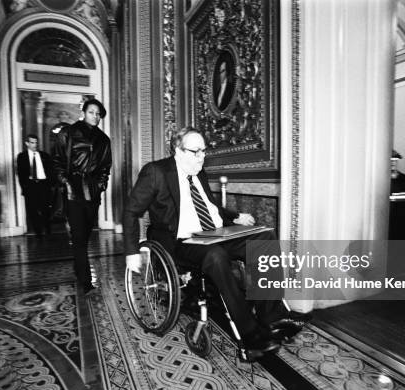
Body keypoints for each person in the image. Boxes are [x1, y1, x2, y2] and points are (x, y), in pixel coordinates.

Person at [124, 127, 303, 358]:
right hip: (181, 241)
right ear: (178, 151)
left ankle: (272, 316)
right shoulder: (156, 172)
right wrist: (131, 251)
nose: (202, 156)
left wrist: (235, 216)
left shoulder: (199, 172)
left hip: (214, 233)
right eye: (195, 151)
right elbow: (131, 211)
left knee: (265, 238)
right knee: (216, 255)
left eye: (204, 151)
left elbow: (209, 205)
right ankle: (249, 335)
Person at [52, 98, 112, 294]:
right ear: (84, 113)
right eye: (91, 112)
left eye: (98, 114)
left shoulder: (103, 139)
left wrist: (102, 184)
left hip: (93, 192)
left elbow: (105, 167)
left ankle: (79, 268)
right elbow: (58, 160)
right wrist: (65, 181)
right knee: (78, 237)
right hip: (73, 189)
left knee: (85, 236)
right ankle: (86, 282)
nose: (95, 116)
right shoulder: (68, 133)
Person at [17, 134, 53, 238]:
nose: (35, 145)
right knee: (32, 210)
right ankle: (38, 233)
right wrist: (25, 188)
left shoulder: (44, 155)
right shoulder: (22, 157)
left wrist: (50, 185)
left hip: (43, 185)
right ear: (27, 143)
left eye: (36, 142)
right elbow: (21, 174)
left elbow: (51, 171)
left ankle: (48, 230)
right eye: (32, 142)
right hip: (30, 186)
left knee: (46, 209)